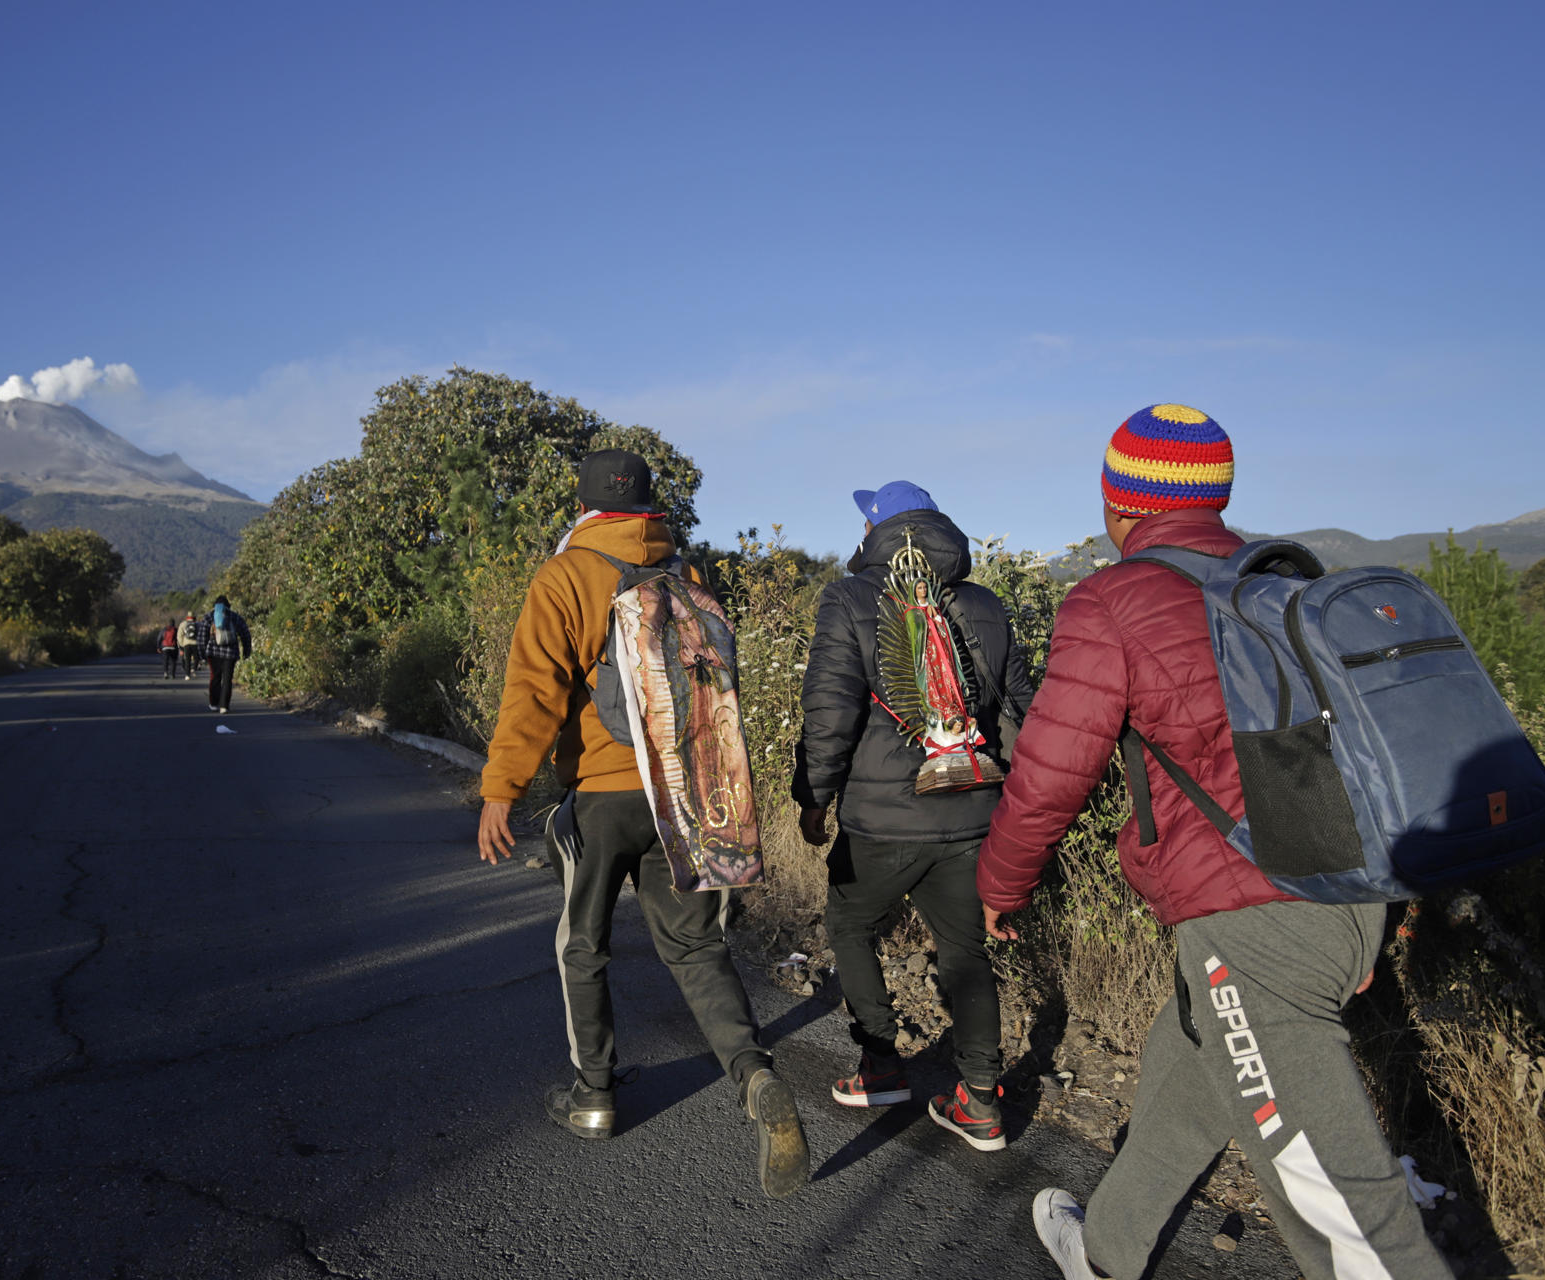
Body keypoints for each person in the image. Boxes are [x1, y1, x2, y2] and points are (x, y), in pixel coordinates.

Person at [976, 405, 1453, 1280]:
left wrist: (1003, 882)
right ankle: (1108, 1251)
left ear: (1121, 501)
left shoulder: (1115, 598)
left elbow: (1050, 772)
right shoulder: (1284, 584)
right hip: (1350, 889)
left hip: (1253, 915)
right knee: (1191, 1056)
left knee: (1341, 1201)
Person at [476, 448, 810, 1200]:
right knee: (694, 946)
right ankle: (755, 1072)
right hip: (678, 797)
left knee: (583, 944)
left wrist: (501, 788)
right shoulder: (682, 575)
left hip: (600, 794)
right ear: (649, 504)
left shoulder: (565, 575)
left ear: (588, 503)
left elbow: (534, 688)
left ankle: (593, 1095)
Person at [791, 481, 1035, 1149]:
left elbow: (830, 713)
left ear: (876, 530)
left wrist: (814, 798)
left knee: (849, 921)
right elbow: (1024, 709)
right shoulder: (984, 604)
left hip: (881, 820)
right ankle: (981, 1098)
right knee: (965, 950)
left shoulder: (848, 599)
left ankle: (881, 1064)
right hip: (973, 814)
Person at [194, 596, 251, 714]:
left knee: (214, 677)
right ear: (228, 606)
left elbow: (201, 637)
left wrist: (202, 653)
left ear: (215, 606)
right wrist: (246, 651)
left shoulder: (209, 616)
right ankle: (224, 706)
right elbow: (245, 633)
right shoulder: (234, 617)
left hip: (213, 653)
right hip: (230, 654)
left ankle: (214, 704)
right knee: (227, 679)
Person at [179, 611, 201, 678]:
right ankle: (194, 669)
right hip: (195, 643)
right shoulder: (198, 624)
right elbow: (201, 634)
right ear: (194, 617)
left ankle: (187, 675)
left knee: (187, 660)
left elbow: (179, 636)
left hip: (186, 644)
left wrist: (182, 644)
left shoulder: (183, 624)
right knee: (196, 658)